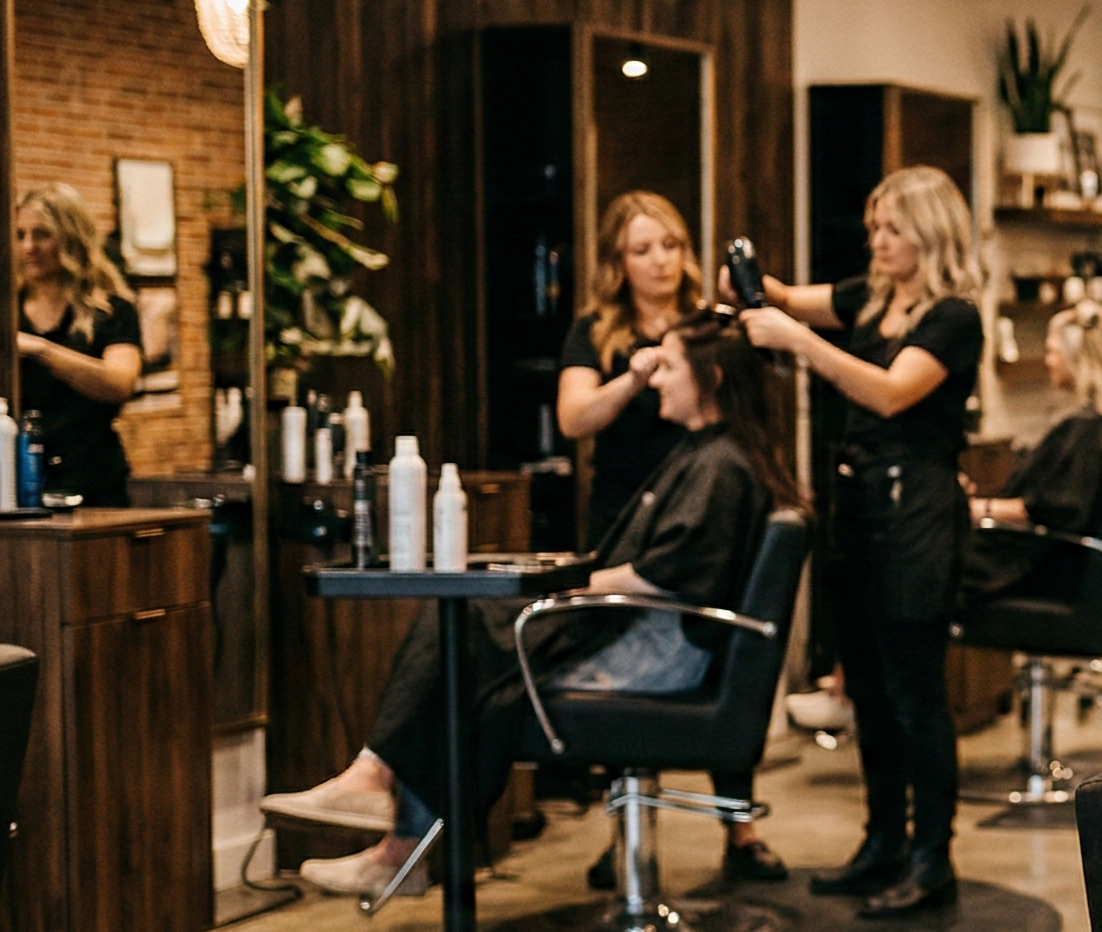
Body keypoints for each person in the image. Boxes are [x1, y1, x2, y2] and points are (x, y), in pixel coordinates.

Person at [263, 317, 798, 897]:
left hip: (656, 650)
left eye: (668, 367)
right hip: (651, 635)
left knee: (465, 636)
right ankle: (389, 825)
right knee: (464, 642)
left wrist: (570, 586)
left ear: (712, 379)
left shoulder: (721, 465)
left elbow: (667, 573)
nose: (657, 380)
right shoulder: (718, 454)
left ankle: (386, 816)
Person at [738, 165, 982, 918]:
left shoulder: (953, 317)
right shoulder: (872, 299)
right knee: (866, 689)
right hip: (857, 509)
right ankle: (882, 840)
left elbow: (890, 391)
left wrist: (799, 343)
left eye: (892, 229)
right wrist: (745, 280)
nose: (877, 241)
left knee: (915, 694)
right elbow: (783, 296)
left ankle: (931, 856)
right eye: (874, 227)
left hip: (917, 514)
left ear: (930, 234)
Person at [555, 191, 781, 882]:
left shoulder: (706, 326)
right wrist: (633, 379)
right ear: (617, 262)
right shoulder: (597, 332)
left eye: (671, 245)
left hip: (706, 499)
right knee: (628, 657)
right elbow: (574, 419)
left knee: (711, 649)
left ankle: (739, 827)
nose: (660, 260)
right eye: (642, 249)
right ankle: (627, 833)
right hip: (629, 511)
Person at [960, 301, 1102, 607]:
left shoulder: (1087, 429)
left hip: (1046, 576)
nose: (1048, 361)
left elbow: (1049, 509)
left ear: (1079, 360)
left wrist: (969, 507)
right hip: (1072, 574)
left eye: (1052, 351)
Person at [14, 184, 142, 505]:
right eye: (20, 235)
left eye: (42, 234)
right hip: (19, 480)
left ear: (71, 237)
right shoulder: (7, 312)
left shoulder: (110, 311)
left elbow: (120, 383)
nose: (29, 246)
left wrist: (42, 350)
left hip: (93, 480)